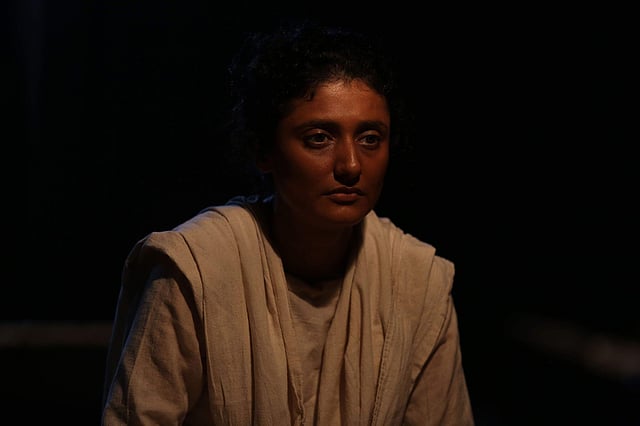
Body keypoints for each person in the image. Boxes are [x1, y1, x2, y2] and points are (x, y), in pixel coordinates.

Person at [101, 18, 475, 425]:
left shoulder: (417, 281)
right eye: (319, 138)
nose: (351, 165)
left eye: (370, 138)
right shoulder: (196, 270)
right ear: (265, 151)